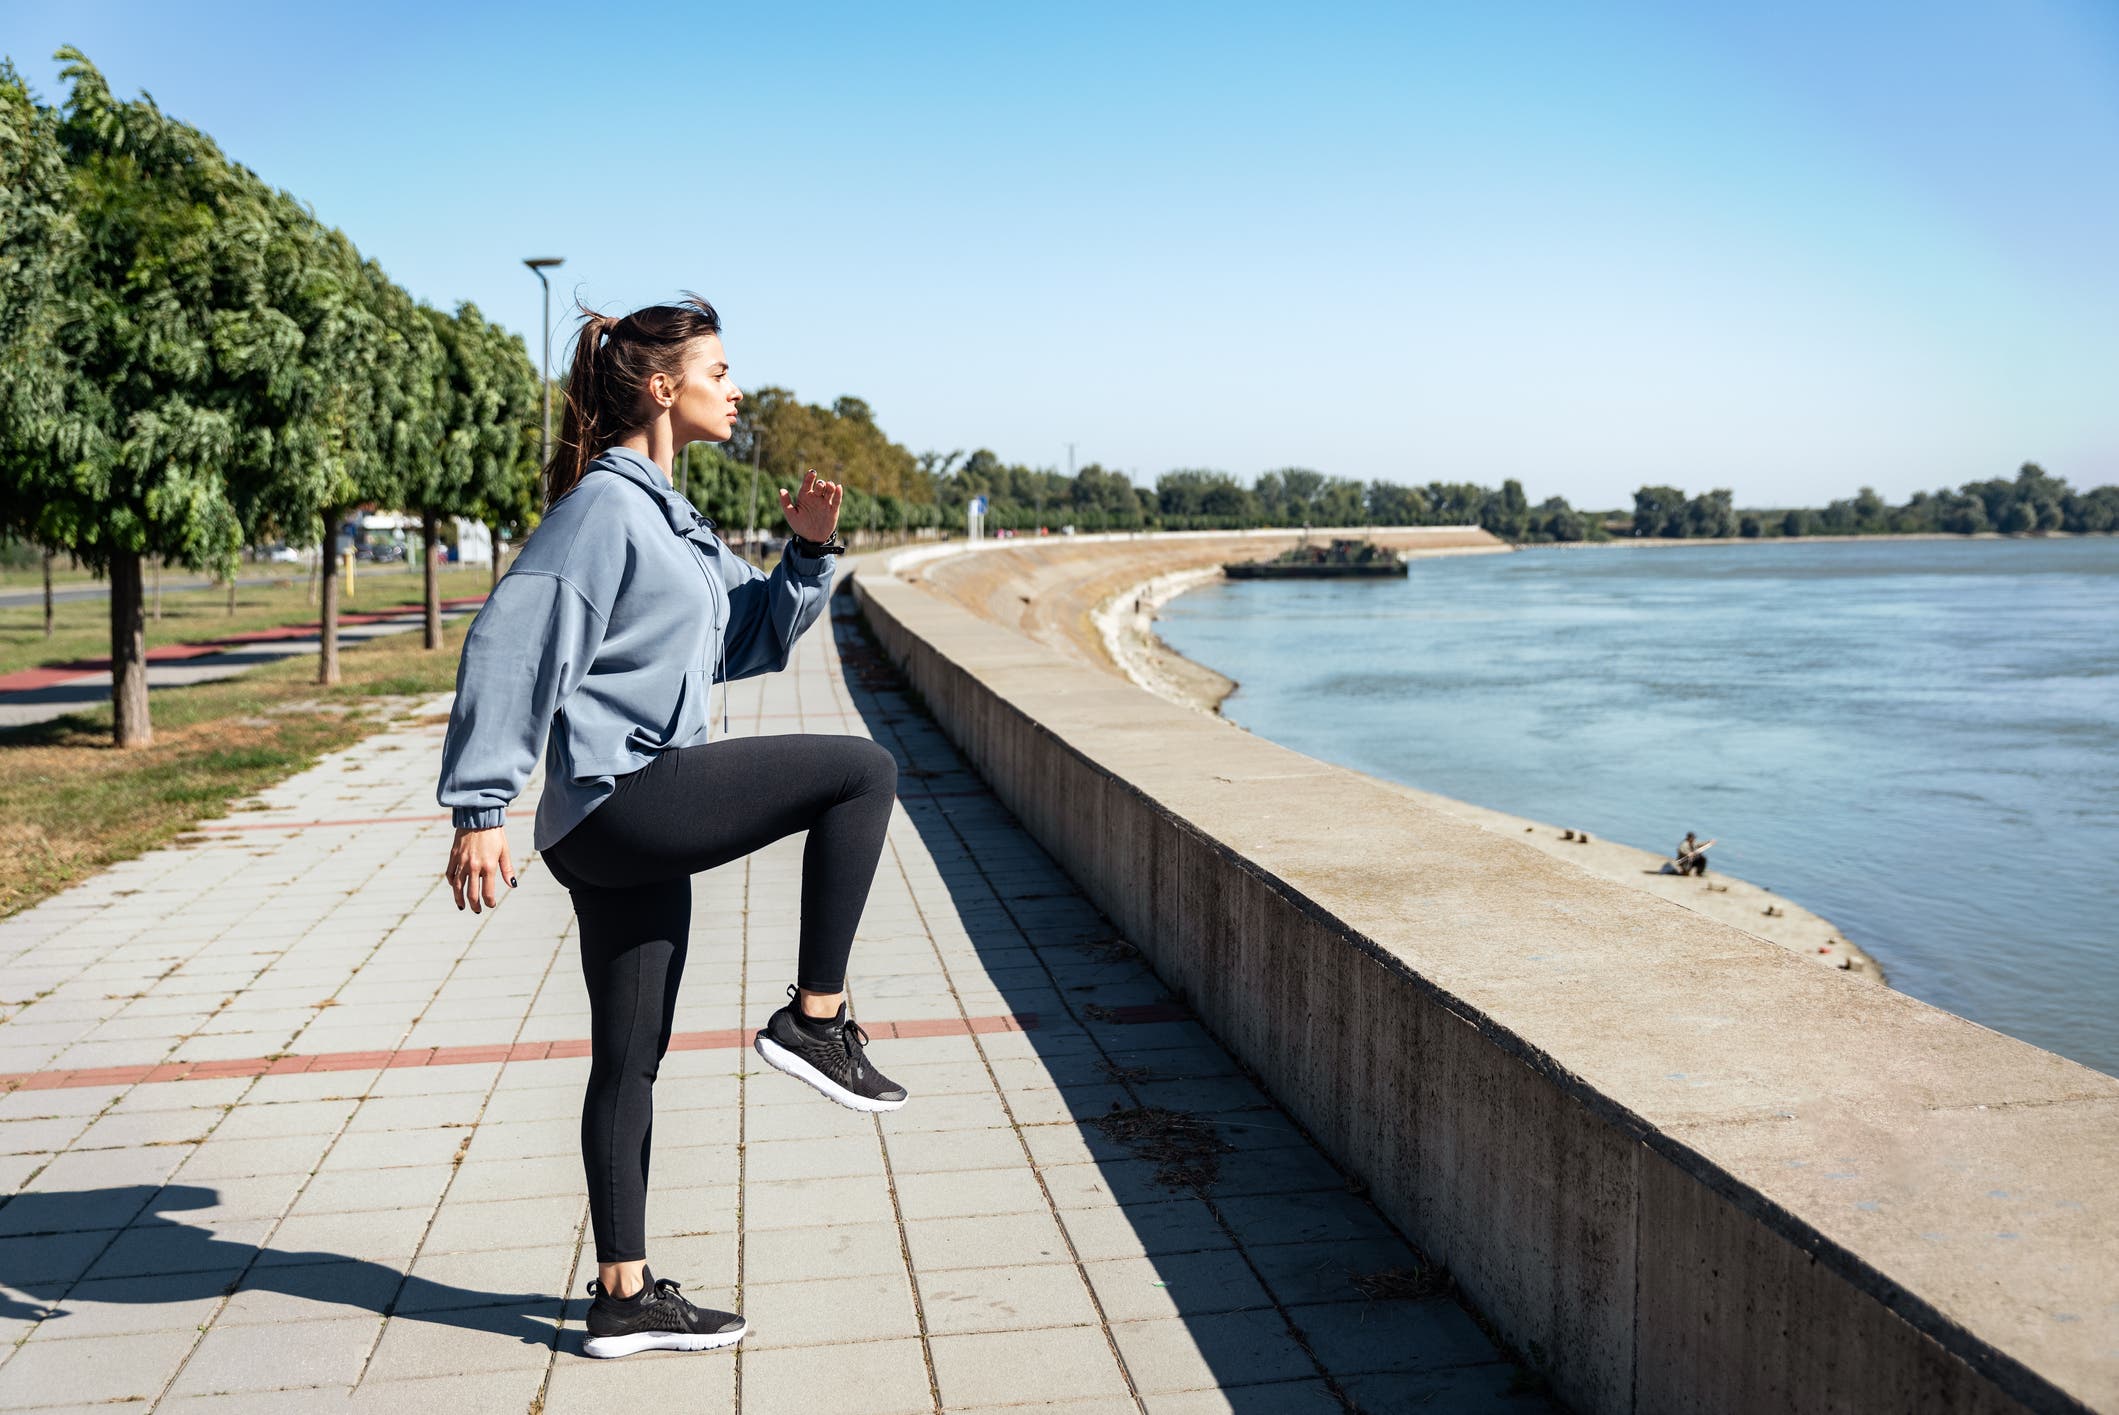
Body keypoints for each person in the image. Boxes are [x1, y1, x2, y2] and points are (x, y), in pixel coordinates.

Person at [435, 296, 907, 1359]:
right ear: (662, 387)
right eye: (721, 370)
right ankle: (815, 1017)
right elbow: (511, 642)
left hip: (611, 822)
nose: (736, 389)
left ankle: (623, 1292)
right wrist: (479, 807)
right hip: (625, 796)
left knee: (629, 1054)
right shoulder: (606, 510)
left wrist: (803, 554)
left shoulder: (669, 519)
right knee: (861, 770)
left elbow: (742, 641)